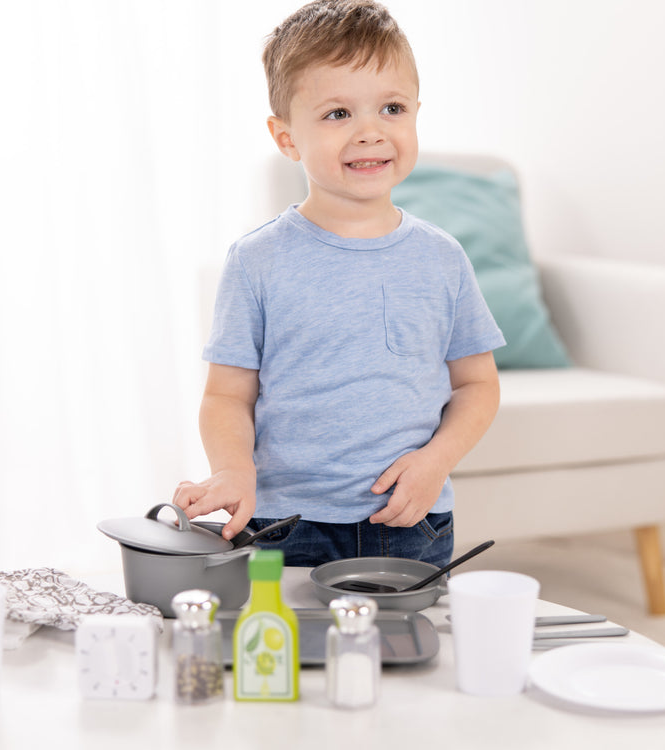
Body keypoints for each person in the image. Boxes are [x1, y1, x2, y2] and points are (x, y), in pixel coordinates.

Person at [172, 0, 505, 568]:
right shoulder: (257, 260)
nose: (370, 132)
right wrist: (233, 470)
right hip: (284, 523)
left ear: (416, 115)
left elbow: (477, 386)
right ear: (286, 138)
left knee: (408, 653)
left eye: (392, 108)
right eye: (337, 114)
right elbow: (228, 394)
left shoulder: (442, 258)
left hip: (411, 517)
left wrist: (436, 462)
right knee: (289, 653)